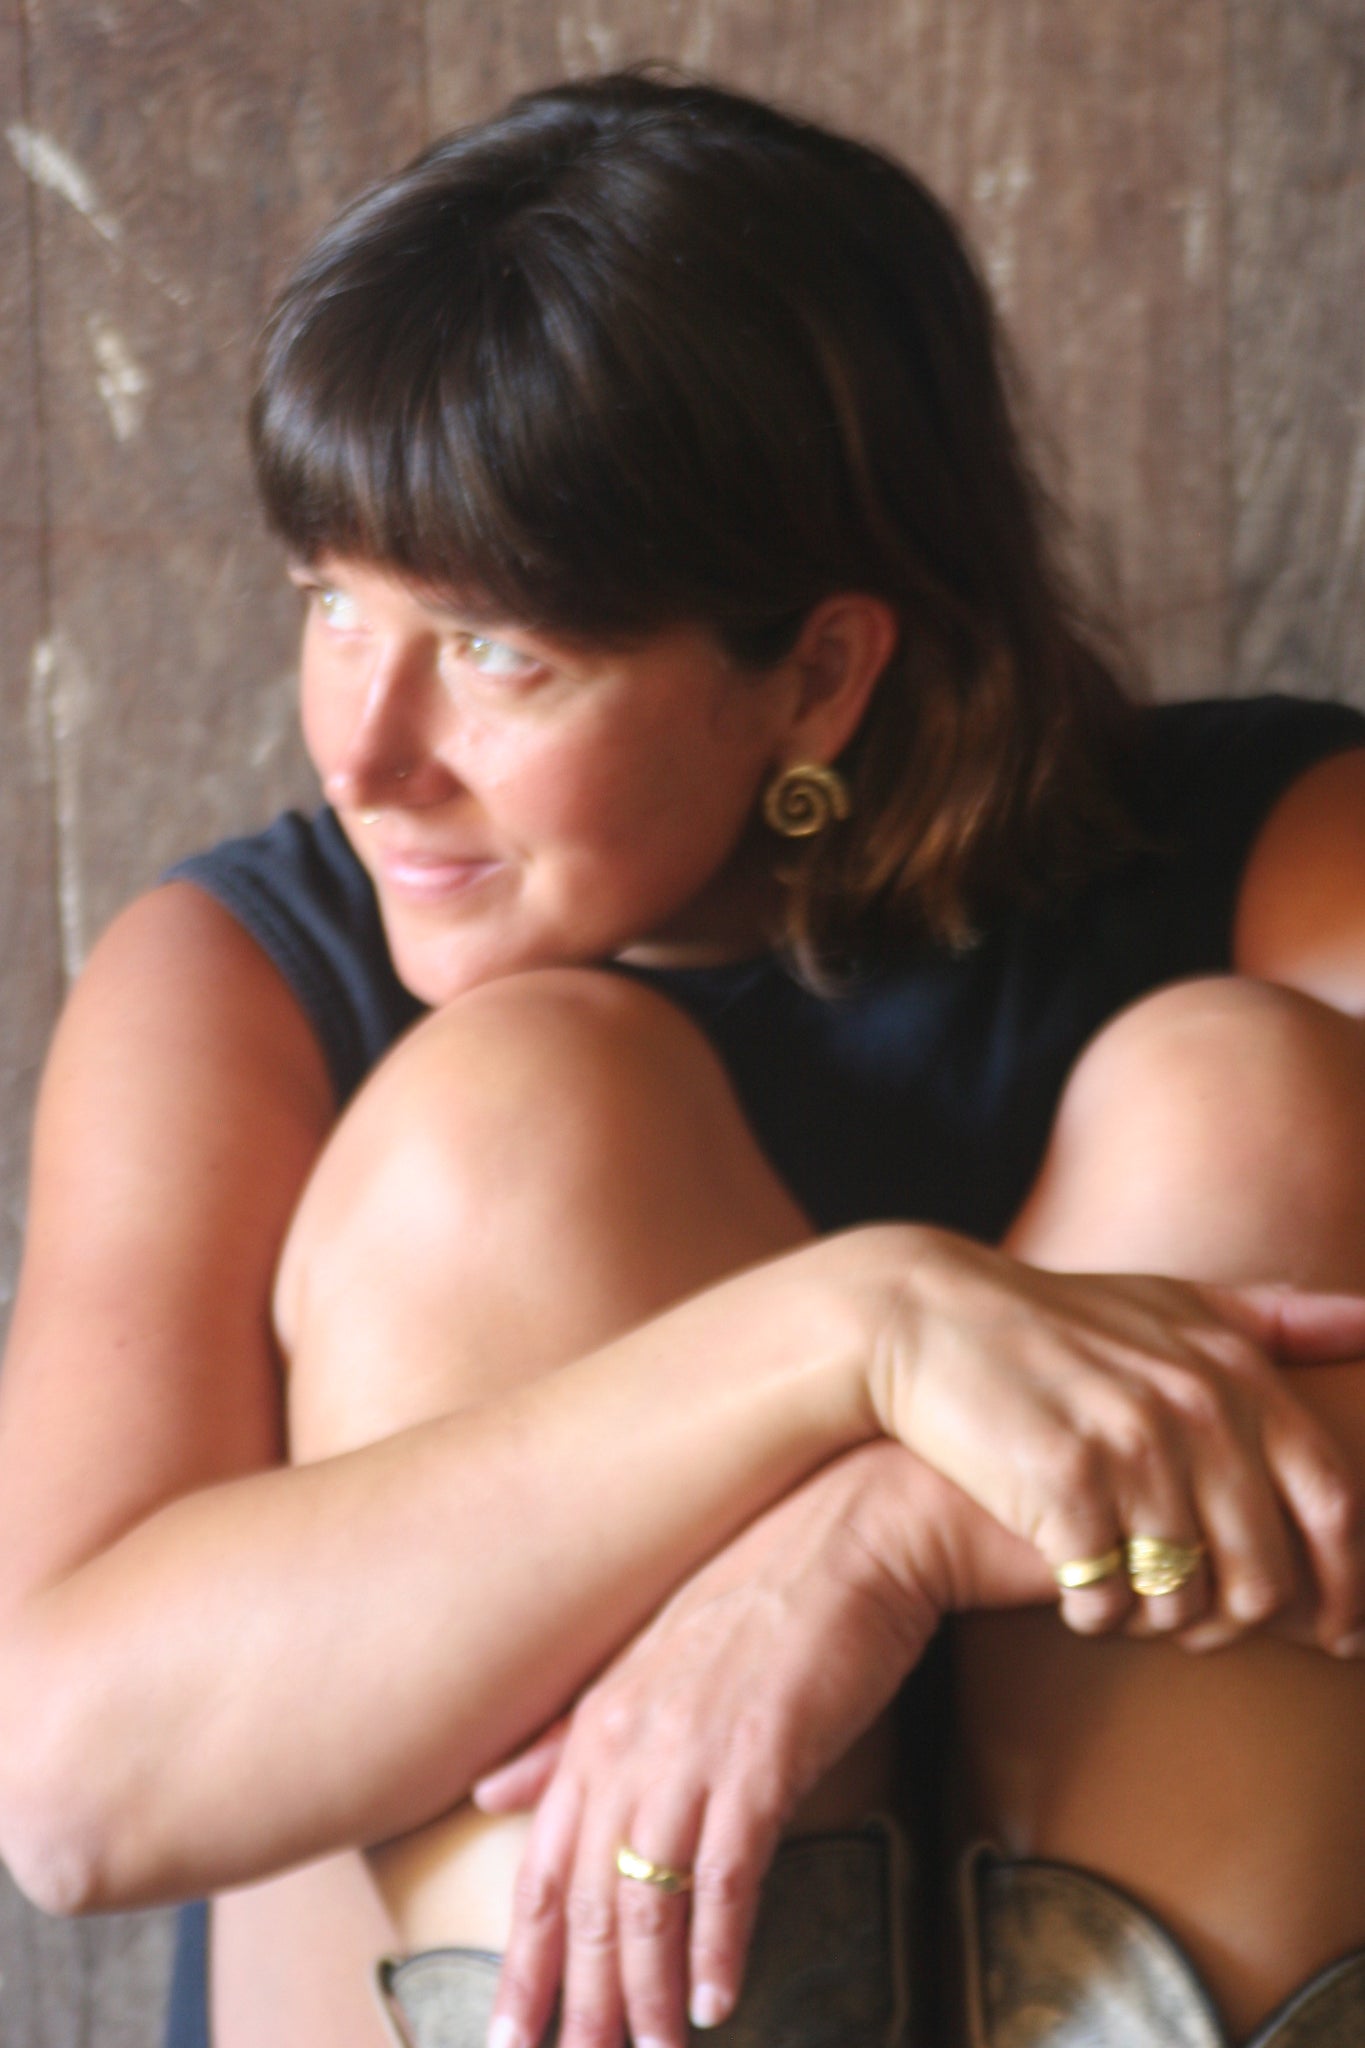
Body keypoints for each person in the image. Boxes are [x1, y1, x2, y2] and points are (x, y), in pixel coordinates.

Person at [2, 67, 1365, 2048]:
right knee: (517, 1115)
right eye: (331, 606)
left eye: (496, 650)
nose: (364, 752)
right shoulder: (237, 977)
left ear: (815, 672)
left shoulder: (1282, 852)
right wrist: (850, 1335)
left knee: (1240, 1099)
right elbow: (68, 1780)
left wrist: (874, 1542)